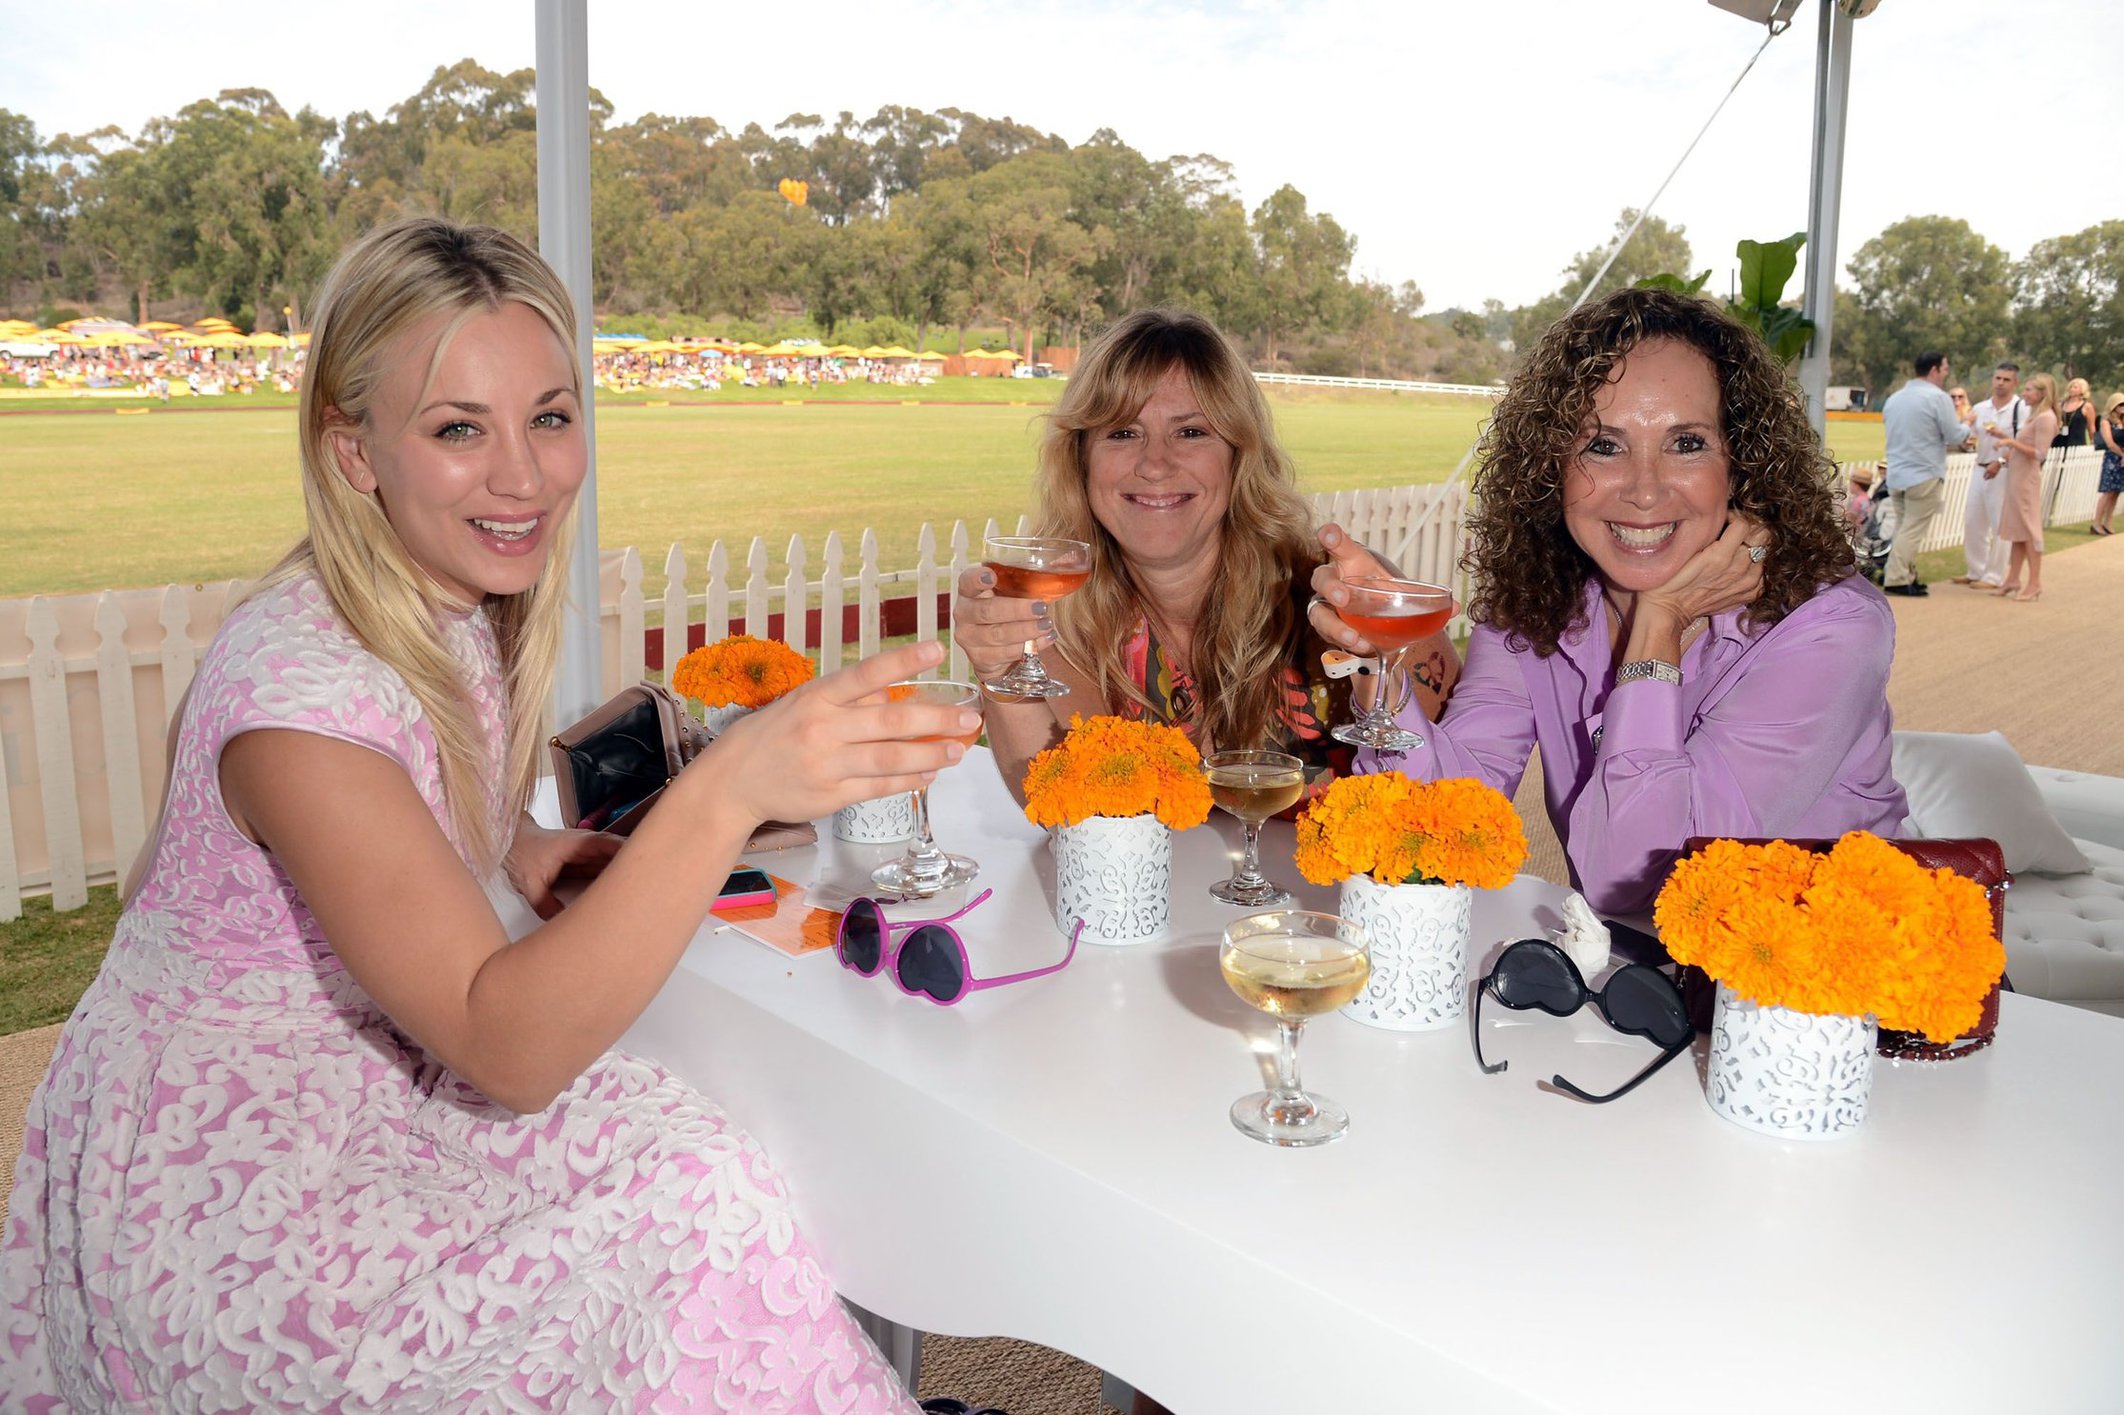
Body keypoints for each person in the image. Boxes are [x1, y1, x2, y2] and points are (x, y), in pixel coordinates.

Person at [0, 219, 970, 1412]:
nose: (524, 475)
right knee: (686, 1193)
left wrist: (519, 843)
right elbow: (506, 1048)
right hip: (220, 1168)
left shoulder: (437, 596)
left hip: (363, 1069)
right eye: (459, 428)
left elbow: (411, 792)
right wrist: (726, 790)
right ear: (354, 453)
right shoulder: (294, 707)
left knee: (712, 1145)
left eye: (550, 417)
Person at [1313, 286, 1908, 915]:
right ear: (1552, 465)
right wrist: (1379, 666)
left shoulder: (1829, 627)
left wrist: (1657, 625)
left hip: (1832, 989)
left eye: (1687, 443)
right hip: (1627, 984)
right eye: (1604, 444)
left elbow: (1639, 879)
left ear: (1741, 463)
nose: (1645, 491)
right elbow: (1444, 818)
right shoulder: (1537, 606)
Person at [951, 308, 1457, 798]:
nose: (1154, 464)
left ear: (1239, 456)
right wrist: (1002, 677)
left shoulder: (1345, 596)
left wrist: (1375, 669)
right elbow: (1067, 809)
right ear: (1081, 460)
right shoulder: (1065, 616)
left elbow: (1461, 790)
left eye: (1191, 432)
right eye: (1123, 433)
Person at [1876, 350, 1974, 597]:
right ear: (1933, 370)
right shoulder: (1937, 398)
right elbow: (1953, 434)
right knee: (1912, 529)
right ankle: (1896, 577)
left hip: (1897, 472)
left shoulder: (1895, 398)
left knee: (1903, 526)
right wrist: (1967, 426)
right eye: (1944, 369)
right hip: (1924, 471)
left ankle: (1906, 574)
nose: (1946, 373)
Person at [1988, 371, 2060, 600]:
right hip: (2016, 478)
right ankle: (2013, 578)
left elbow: (2039, 453)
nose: (2024, 394)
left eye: (2028, 390)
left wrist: (2010, 442)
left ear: (2041, 393)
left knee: (2029, 532)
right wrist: (2005, 438)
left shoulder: (2046, 418)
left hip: (2027, 481)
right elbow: (2024, 444)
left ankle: (2035, 582)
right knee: (2017, 530)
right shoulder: (2033, 416)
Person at [1954, 363, 2022, 587]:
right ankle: (1976, 570)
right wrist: (1967, 426)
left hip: (2003, 469)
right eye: (1998, 378)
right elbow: (1969, 438)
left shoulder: (2020, 408)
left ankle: (1994, 575)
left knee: (1999, 523)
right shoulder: (1982, 408)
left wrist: (2002, 460)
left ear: (2015, 383)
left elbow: (2023, 442)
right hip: (1980, 465)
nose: (2001, 383)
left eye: (2006, 379)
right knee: (1973, 520)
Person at [2094, 390, 2124, 536]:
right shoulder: (2106, 421)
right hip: (2112, 458)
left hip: (2122, 459)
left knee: (2116, 492)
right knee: (2107, 492)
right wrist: (2122, 454)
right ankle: (2096, 523)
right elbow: (2110, 443)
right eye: (2120, 404)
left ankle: (2108, 522)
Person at [2053, 376, 2095, 449]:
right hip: (2059, 441)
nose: (2072, 389)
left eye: (2075, 387)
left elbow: (2091, 427)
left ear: (2082, 390)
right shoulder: (2061, 405)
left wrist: (2093, 441)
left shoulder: (2087, 407)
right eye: (2071, 387)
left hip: (2077, 443)